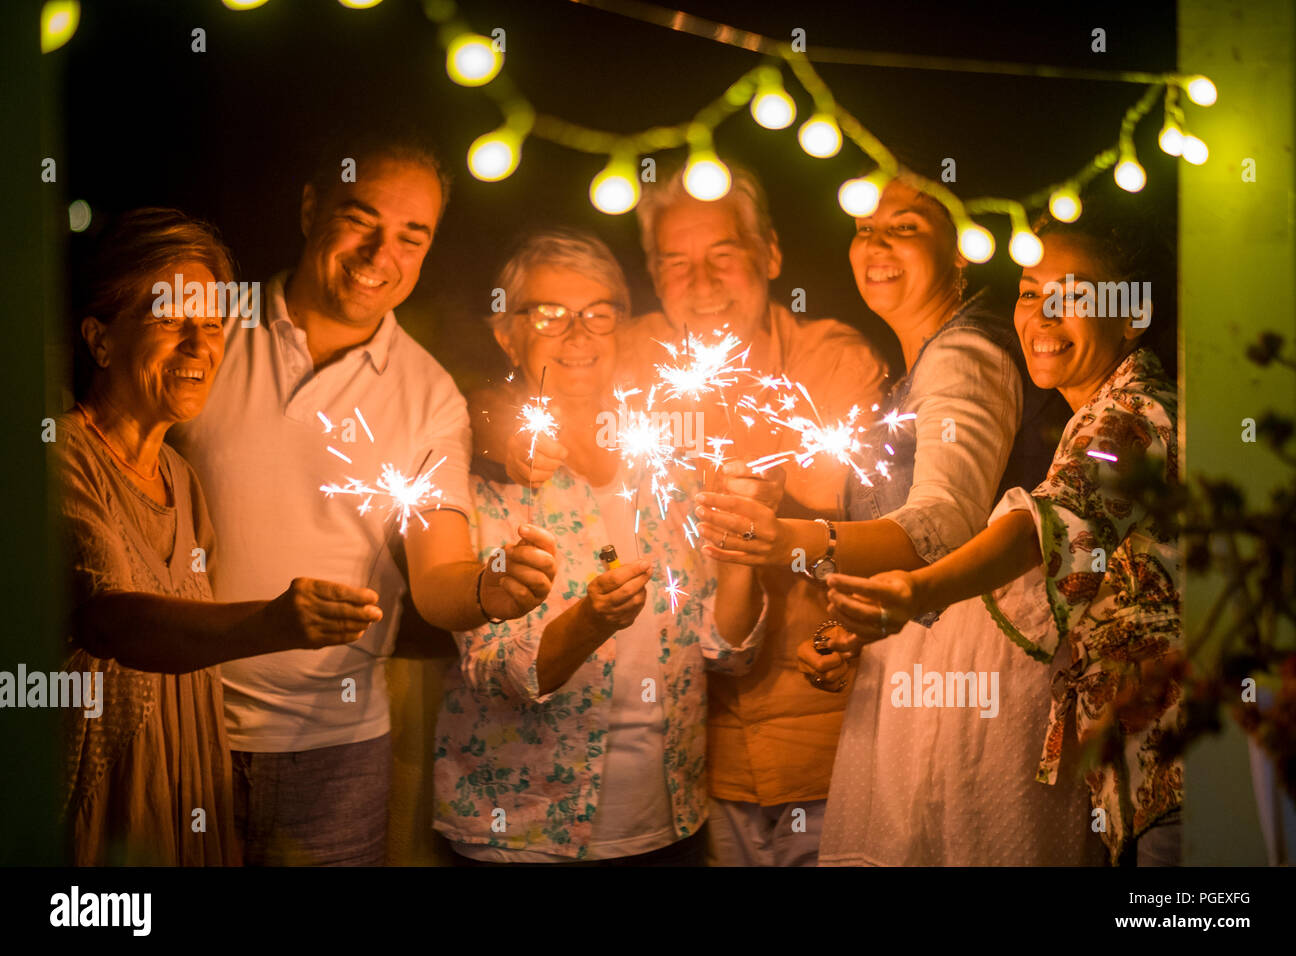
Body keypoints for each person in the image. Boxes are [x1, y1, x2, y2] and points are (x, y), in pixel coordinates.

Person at [473, 163, 891, 866]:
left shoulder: (829, 362)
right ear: (654, 277)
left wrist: (765, 518)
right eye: (675, 263)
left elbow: (862, 518)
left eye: (723, 255)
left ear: (771, 256)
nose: (701, 283)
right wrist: (498, 434)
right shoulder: (624, 350)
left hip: (822, 747)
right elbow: (533, 373)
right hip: (699, 775)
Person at [170, 130, 558, 866]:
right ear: (312, 206)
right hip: (180, 724)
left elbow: (439, 580)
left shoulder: (429, 395)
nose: (383, 255)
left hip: (336, 749)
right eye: (361, 219)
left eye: (413, 237)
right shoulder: (210, 330)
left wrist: (493, 589)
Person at [822, 199, 1183, 866]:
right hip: (1134, 774)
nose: (1041, 317)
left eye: (1072, 296)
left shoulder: (1133, 417)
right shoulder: (1088, 415)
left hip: (1178, 774)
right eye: (1028, 293)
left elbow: (1039, 530)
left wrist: (913, 589)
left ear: (1133, 315)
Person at [693, 174, 1031, 861]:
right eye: (864, 229)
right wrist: (848, 629)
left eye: (905, 227)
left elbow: (946, 524)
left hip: (972, 694)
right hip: (919, 677)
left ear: (961, 249)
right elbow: (905, 553)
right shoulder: (918, 367)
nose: (876, 244)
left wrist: (789, 539)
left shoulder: (965, 355)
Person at [57, 208, 383, 866]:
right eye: (170, 320)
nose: (198, 347)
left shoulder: (181, 476)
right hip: (104, 819)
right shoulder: (57, 460)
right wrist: (272, 624)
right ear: (100, 340)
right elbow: (113, 621)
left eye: (211, 326)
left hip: (184, 806)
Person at [434, 229, 770, 864]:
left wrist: (739, 557)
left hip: (670, 822)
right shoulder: (482, 472)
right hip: (523, 835)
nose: (578, 335)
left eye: (597, 314)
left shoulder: (668, 465)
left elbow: (725, 653)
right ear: (507, 331)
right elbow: (493, 670)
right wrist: (589, 622)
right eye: (550, 314)